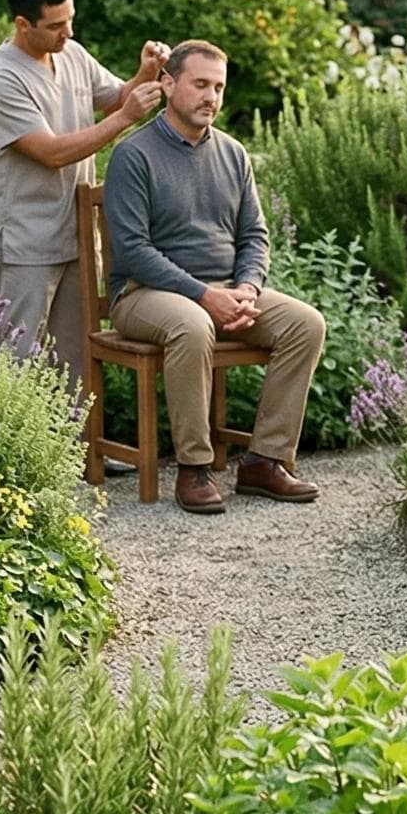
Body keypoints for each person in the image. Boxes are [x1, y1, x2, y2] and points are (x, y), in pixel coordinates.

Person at [102, 41, 327, 514]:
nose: (211, 97)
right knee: (192, 323)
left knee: (305, 324)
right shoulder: (133, 155)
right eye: (201, 84)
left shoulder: (233, 153)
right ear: (167, 84)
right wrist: (205, 295)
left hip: (224, 290)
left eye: (219, 87)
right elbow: (133, 251)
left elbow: (255, 235)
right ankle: (194, 467)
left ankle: (264, 461)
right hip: (145, 295)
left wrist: (247, 288)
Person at [0, 0, 166, 402]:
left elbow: (118, 96)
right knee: (15, 358)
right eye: (56, 25)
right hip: (25, 241)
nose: (69, 33)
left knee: (75, 358)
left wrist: (146, 72)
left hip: (77, 235)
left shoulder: (72, 55)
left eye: (71, 20)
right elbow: (52, 152)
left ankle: (80, 457)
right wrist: (125, 117)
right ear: (23, 24)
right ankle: (11, 464)